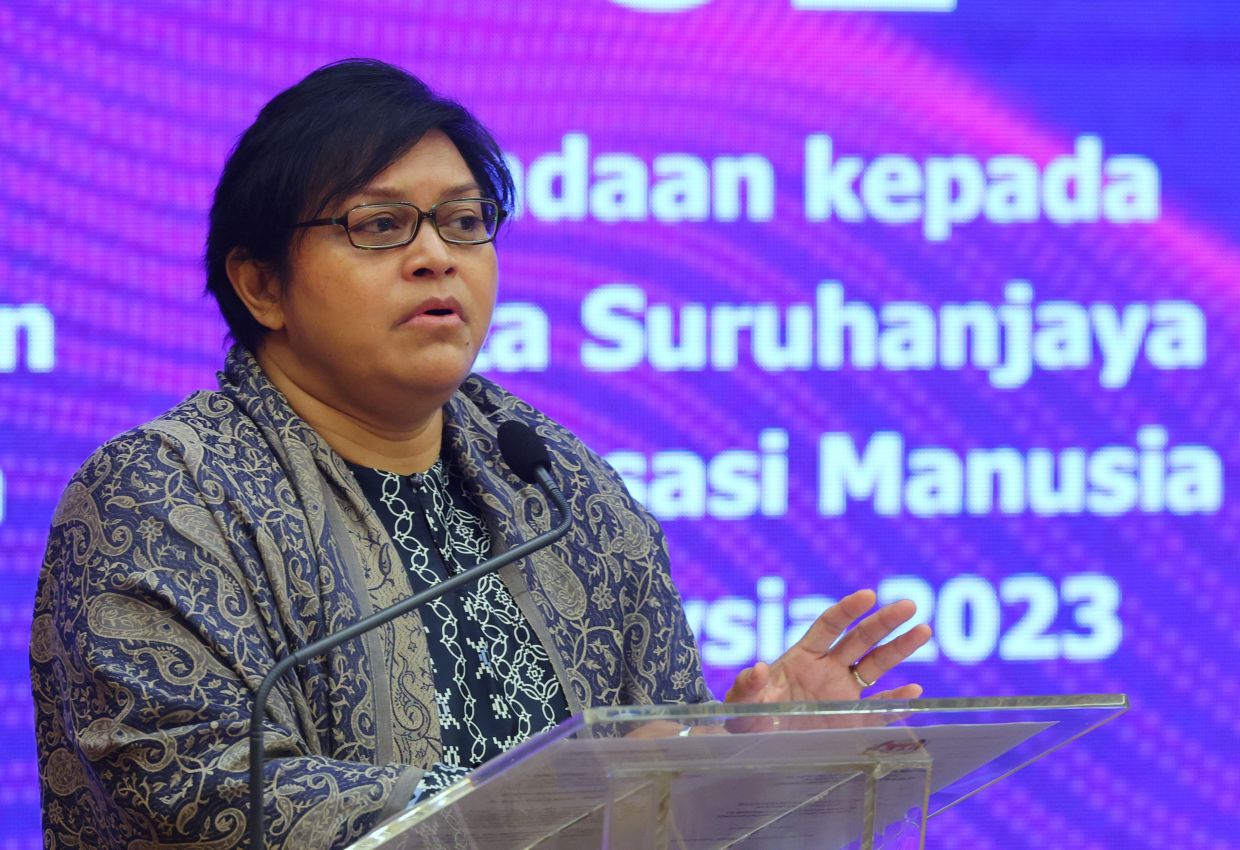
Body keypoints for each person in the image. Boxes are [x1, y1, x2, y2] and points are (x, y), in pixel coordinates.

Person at [30, 59, 931, 849]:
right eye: (380, 225)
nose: (436, 255)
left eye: (464, 221)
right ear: (261, 285)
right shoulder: (162, 494)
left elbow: (657, 775)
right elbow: (203, 792)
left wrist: (740, 760)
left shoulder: (561, 488)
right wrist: (577, 796)